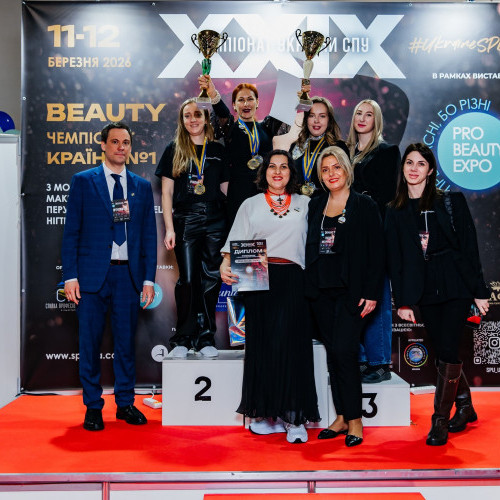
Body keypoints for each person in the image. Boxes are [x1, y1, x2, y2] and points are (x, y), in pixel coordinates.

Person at [385, 143, 490, 446]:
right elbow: (395, 259)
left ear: (430, 170)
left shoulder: (450, 202)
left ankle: (440, 420)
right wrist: (403, 300)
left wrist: (479, 291)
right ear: (403, 168)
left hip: (455, 283)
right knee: (444, 350)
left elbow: (469, 248)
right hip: (424, 288)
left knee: (447, 348)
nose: (414, 168)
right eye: (409, 162)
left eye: (421, 163)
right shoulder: (394, 210)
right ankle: (465, 405)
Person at [62, 122, 157, 431]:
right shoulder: (83, 181)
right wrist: (70, 276)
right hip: (91, 277)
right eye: (115, 141)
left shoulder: (141, 187)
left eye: (126, 142)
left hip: (128, 277)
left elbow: (148, 237)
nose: (121, 147)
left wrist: (148, 280)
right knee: (89, 344)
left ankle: (125, 404)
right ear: (103, 145)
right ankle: (93, 407)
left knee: (126, 344)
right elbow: (71, 232)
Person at [220, 150, 319, 444]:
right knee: (262, 347)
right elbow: (234, 242)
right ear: (263, 172)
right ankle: (265, 414)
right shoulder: (250, 204)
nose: (277, 172)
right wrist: (225, 264)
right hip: (257, 279)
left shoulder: (306, 204)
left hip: (294, 280)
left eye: (284, 167)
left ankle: (294, 418)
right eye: (272, 167)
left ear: (291, 172)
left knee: (293, 348)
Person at [305, 146, 384, 447]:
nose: (331, 174)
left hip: (353, 293)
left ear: (347, 169)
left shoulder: (364, 204)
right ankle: (340, 416)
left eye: (336, 167)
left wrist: (372, 293)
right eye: (325, 170)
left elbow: (377, 252)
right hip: (320, 292)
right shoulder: (316, 204)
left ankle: (355, 420)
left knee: (345, 352)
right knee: (333, 354)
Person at [156, 98, 229, 359]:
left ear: (206, 118)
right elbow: (166, 193)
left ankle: (206, 336)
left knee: (211, 279)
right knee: (187, 280)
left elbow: (226, 190)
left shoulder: (218, 149)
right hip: (186, 218)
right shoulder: (174, 149)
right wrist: (169, 228)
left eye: (197, 114)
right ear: (182, 120)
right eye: (187, 115)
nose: (193, 119)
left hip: (215, 219)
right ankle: (183, 339)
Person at [347, 99, 401, 383]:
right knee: (353, 298)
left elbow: (388, 196)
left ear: (376, 120)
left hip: (375, 233)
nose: (362, 118)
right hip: (347, 235)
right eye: (359, 113)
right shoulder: (345, 151)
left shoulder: (387, 151)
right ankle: (359, 358)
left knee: (377, 297)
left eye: (369, 114)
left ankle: (379, 362)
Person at [198, 76, 286, 225]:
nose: (246, 104)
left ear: (257, 102)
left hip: (265, 191)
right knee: (240, 233)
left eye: (250, 99)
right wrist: (213, 94)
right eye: (241, 100)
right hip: (238, 193)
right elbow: (223, 114)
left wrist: (301, 94)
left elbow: (284, 111)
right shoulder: (230, 129)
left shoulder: (266, 127)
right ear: (234, 105)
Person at [275, 96, 349, 199]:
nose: (316, 120)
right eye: (311, 115)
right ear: (306, 119)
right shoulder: (296, 146)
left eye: (322, 116)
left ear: (329, 119)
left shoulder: (338, 147)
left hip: (327, 204)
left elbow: (347, 183)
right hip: (298, 204)